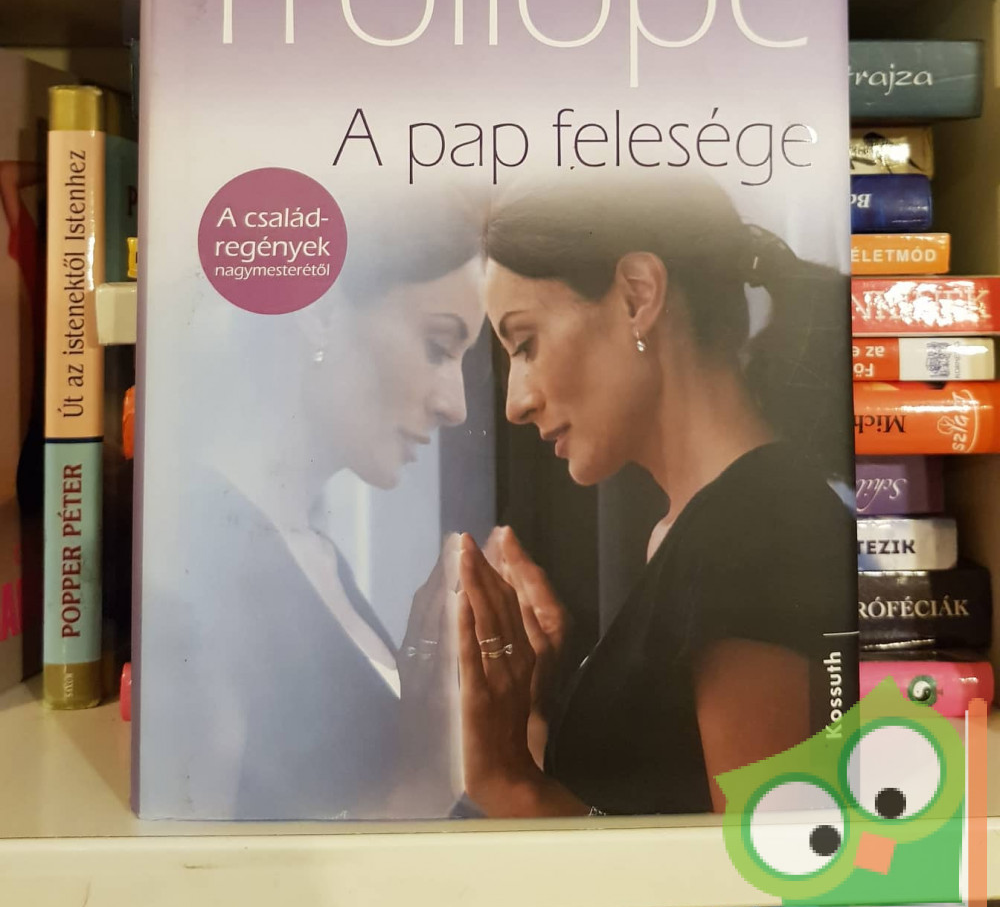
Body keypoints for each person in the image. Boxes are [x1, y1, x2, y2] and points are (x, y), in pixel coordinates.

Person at [455, 177, 857, 818]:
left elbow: (767, 863)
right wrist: (534, 710)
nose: (516, 403)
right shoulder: (695, 531)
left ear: (638, 295)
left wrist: (509, 784)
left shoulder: (753, 530)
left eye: (525, 344)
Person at [140, 192, 485, 820]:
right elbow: (196, 869)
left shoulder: (312, 551)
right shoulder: (196, 566)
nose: (456, 406)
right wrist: (424, 787)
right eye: (438, 347)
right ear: (321, 312)